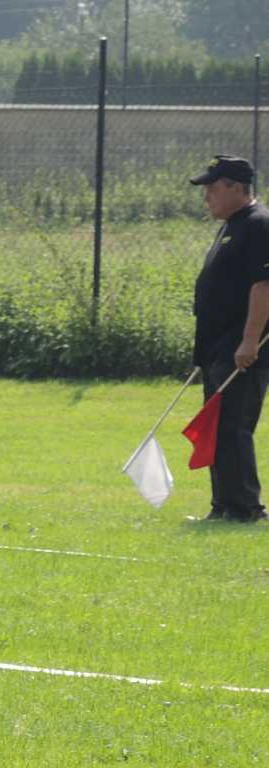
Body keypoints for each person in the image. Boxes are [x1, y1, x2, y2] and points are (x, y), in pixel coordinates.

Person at [189, 155, 269, 523]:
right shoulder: (232, 225)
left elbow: (263, 285)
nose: (207, 196)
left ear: (236, 188)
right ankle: (222, 505)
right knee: (215, 426)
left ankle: (246, 509)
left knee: (233, 426)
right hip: (218, 347)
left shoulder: (258, 225)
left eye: (213, 187)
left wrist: (250, 340)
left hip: (240, 349)